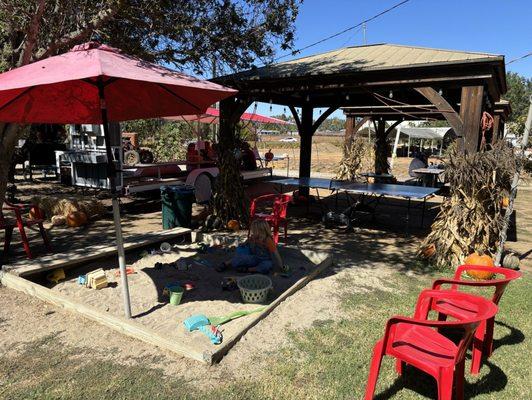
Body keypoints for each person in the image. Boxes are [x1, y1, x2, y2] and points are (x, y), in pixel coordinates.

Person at [216, 220, 282, 274]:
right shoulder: (254, 237)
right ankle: (225, 264)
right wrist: (244, 244)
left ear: (261, 231)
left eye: (254, 230)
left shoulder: (268, 240)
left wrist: (281, 265)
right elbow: (248, 241)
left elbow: (276, 254)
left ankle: (249, 269)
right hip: (255, 257)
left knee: (267, 265)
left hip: (264, 260)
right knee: (241, 258)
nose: (252, 232)